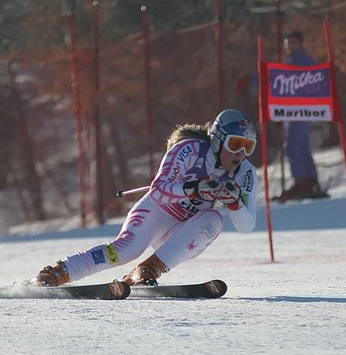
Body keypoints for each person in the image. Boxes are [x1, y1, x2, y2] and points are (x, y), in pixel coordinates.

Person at [30, 109, 259, 287]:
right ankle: (55, 274)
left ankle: (147, 270)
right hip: (158, 212)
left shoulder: (245, 172)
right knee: (126, 250)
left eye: (248, 147)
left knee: (214, 218)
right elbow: (159, 190)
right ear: (218, 140)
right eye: (235, 144)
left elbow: (247, 225)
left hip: (184, 232)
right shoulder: (189, 150)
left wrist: (235, 202)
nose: (241, 153)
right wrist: (195, 189)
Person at [274, 30, 325, 201]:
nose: (290, 46)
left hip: (301, 109)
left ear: (300, 43)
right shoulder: (289, 62)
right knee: (302, 146)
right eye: (287, 43)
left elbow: (317, 81)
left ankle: (302, 182)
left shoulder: (304, 61)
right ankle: (310, 180)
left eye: (293, 43)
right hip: (291, 109)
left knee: (294, 146)